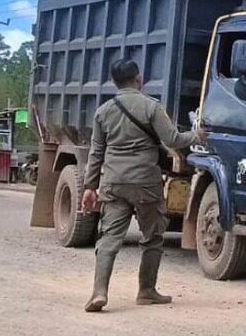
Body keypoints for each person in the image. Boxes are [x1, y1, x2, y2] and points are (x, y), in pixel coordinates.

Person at [80, 59, 207, 313]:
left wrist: (89, 187)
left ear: (114, 82)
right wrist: (198, 136)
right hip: (145, 183)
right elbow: (172, 138)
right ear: (138, 78)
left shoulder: (103, 111)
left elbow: (96, 153)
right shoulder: (151, 107)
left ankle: (99, 292)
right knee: (152, 237)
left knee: (109, 238)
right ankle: (146, 291)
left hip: (113, 182)